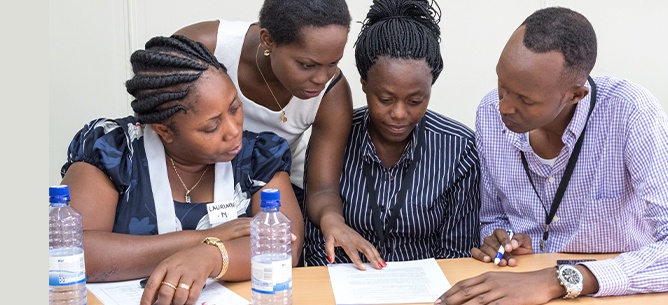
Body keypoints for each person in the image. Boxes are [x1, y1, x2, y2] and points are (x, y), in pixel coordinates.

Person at [437, 7, 668, 305]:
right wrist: (503, 239)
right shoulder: (489, 114)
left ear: (576, 95)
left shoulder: (630, 112)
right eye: (502, 85)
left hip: (618, 297)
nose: (504, 107)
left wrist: (562, 279)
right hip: (519, 286)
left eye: (525, 100)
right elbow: (493, 217)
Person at [59, 35, 305, 305]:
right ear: (163, 130)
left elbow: (285, 247)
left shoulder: (258, 156)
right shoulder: (113, 150)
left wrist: (212, 256)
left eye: (235, 108)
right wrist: (203, 238)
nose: (234, 131)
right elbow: (72, 252)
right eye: (211, 127)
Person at [174, 0, 376, 267]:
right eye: (307, 65)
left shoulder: (332, 92)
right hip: (198, 177)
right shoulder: (206, 47)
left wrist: (333, 220)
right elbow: (161, 112)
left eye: (333, 63)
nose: (321, 78)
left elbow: (323, 189)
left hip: (274, 188)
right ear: (268, 40)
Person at [303, 0, 481, 269]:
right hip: (345, 284)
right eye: (385, 99)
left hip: (430, 289)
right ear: (364, 84)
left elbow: (457, 255)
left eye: (415, 101)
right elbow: (317, 243)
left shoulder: (459, 150)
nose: (399, 113)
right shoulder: (335, 138)